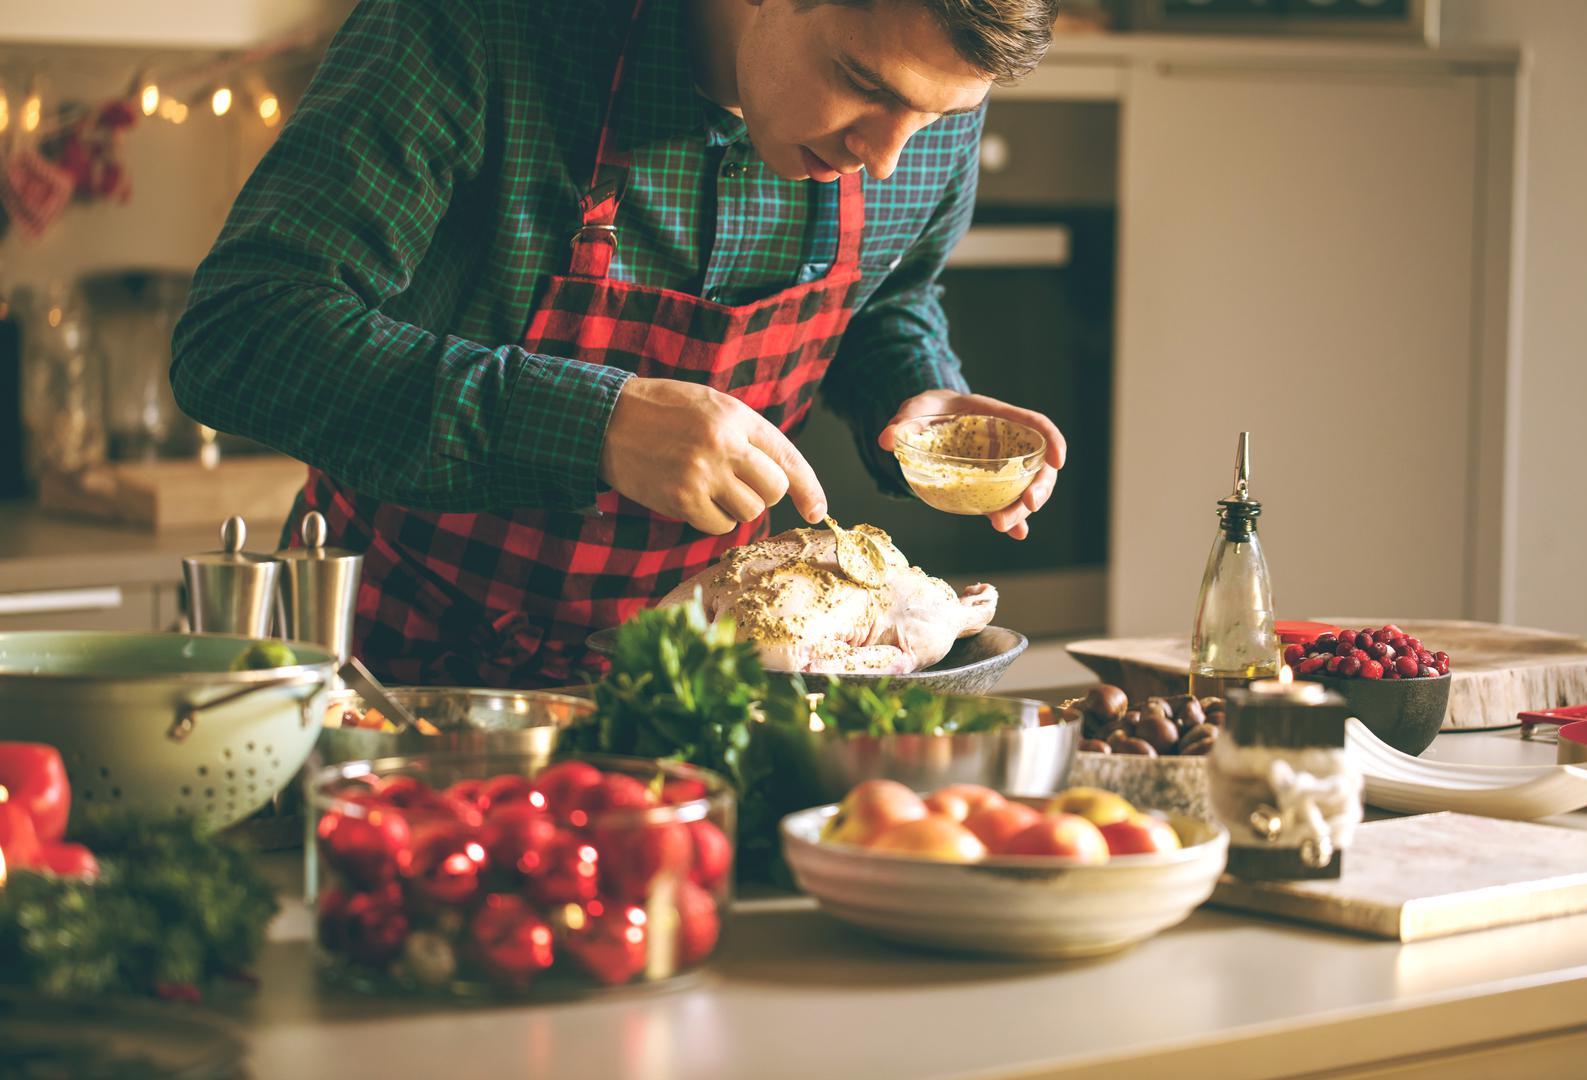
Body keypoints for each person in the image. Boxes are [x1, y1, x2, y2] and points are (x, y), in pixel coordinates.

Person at [171, 0, 1067, 688]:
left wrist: (917, 390)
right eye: (864, 84)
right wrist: (592, 425)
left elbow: (888, 300)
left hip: (696, 694)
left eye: (937, 116)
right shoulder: (480, 27)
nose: (888, 158)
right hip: (394, 671)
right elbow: (241, 329)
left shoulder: (919, 105)